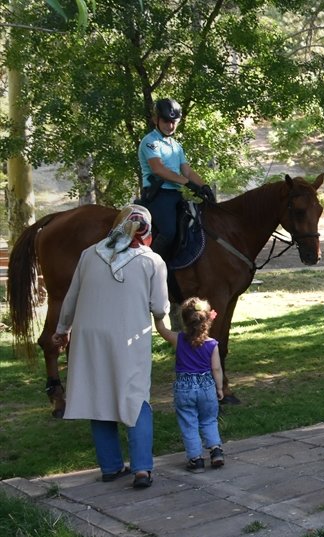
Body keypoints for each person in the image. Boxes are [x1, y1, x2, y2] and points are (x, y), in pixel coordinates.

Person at [52, 205, 170, 489]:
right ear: (146, 229)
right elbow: (158, 306)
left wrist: (62, 330)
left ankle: (110, 466)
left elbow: (71, 298)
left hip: (89, 336)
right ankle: (142, 468)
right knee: (135, 396)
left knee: (98, 395)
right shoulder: (152, 261)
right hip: (128, 335)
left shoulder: (89, 254)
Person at [154, 297, 225, 473]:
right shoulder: (212, 344)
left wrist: (158, 314)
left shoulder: (178, 339)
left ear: (184, 320)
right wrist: (219, 388)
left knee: (189, 423)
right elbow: (216, 369)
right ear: (207, 320)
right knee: (209, 420)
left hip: (184, 389)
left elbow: (161, 329)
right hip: (207, 387)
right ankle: (216, 451)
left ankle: (196, 459)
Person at [138, 97, 214, 259]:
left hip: (175, 195)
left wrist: (204, 186)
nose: (170, 126)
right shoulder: (150, 142)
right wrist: (187, 183)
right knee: (168, 232)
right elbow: (158, 169)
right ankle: (150, 265)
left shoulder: (176, 146)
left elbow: (187, 171)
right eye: (166, 121)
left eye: (173, 122)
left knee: (193, 227)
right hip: (158, 196)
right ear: (155, 119)